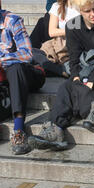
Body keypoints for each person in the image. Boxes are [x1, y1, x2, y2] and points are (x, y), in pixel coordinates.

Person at [28, 0, 94, 150]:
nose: (92, 14)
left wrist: (91, 80)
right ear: (80, 11)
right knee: (66, 87)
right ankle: (56, 129)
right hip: (88, 75)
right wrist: (76, 77)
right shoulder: (72, 25)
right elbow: (74, 58)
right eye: (87, 11)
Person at [0, 5, 46, 155]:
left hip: (28, 72)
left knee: (15, 68)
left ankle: (19, 130)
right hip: (5, 80)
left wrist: (2, 60)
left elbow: (27, 54)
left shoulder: (12, 20)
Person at [32, 0, 80, 78]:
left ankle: (58, 70)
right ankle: (59, 70)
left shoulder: (82, 6)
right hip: (58, 45)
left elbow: (82, 32)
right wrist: (71, 31)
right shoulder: (57, 6)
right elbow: (52, 32)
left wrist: (62, 32)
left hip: (74, 48)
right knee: (31, 52)